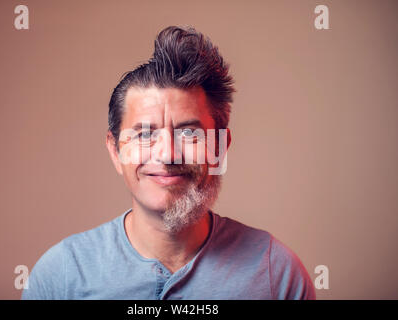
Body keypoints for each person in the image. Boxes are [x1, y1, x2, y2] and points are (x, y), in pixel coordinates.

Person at [21, 26, 316, 300]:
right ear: (116, 151)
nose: (167, 154)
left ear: (220, 147)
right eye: (145, 134)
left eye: (189, 132)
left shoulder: (276, 274)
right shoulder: (60, 276)